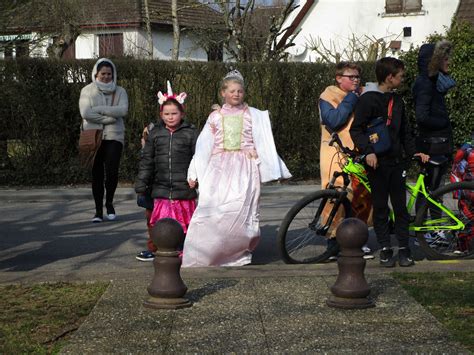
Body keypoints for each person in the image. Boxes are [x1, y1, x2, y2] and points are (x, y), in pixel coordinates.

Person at [182, 70, 292, 267]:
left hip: (244, 168)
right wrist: (194, 171)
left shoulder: (253, 115)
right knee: (213, 208)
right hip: (219, 168)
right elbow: (203, 146)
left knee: (240, 209)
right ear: (223, 93)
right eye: (232, 91)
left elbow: (264, 142)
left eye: (240, 91)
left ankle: (238, 253)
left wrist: (273, 166)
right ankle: (207, 253)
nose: (236, 94)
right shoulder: (215, 117)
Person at [350, 57, 429, 267]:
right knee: (380, 207)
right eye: (400, 76)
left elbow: (405, 132)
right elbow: (356, 130)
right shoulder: (367, 100)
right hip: (376, 163)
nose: (403, 79)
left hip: (397, 163)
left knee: (401, 208)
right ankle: (385, 248)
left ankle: (404, 248)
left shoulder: (398, 101)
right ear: (389, 77)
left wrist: (414, 153)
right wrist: (368, 152)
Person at [135, 82, 198, 261]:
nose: (170, 117)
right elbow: (147, 160)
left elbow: (199, 159)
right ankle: (157, 249)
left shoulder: (191, 134)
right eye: (167, 114)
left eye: (174, 113)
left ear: (182, 114)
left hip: (183, 188)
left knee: (184, 223)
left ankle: (185, 249)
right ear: (161, 115)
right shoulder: (155, 134)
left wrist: (196, 179)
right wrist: (142, 183)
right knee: (160, 223)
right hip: (161, 188)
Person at [319, 62, 373, 260]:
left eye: (358, 77)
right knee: (336, 195)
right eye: (351, 77)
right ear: (338, 78)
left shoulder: (364, 93)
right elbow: (334, 120)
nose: (355, 80)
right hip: (335, 152)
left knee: (361, 196)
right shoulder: (328, 96)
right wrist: (351, 98)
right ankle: (333, 241)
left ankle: (358, 240)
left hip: (359, 152)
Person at [79, 58, 128, 223]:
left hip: (115, 136)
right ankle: (98, 210)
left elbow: (123, 110)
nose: (106, 77)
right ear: (96, 74)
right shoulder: (87, 90)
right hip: (93, 136)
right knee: (97, 174)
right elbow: (86, 113)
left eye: (109, 74)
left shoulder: (120, 91)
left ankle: (110, 203)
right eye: (103, 74)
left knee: (112, 173)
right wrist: (108, 119)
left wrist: (99, 110)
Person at [413, 40, 455, 231]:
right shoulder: (425, 84)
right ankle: (431, 232)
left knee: (433, 190)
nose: (449, 61)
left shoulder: (433, 82)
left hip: (438, 143)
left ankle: (431, 230)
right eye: (445, 58)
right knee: (432, 191)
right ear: (434, 61)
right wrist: (444, 123)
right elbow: (422, 117)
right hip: (433, 145)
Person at [135, 123, 157, 261]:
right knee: (151, 220)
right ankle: (153, 247)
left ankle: (154, 248)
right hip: (150, 190)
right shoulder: (146, 153)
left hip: (157, 190)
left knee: (154, 221)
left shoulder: (151, 153)